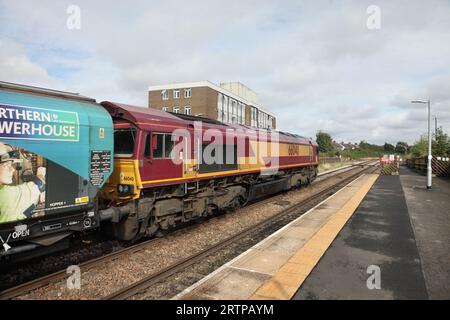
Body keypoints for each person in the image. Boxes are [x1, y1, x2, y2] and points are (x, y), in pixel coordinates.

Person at [0, 142, 46, 224]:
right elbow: (39, 184)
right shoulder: (6, 195)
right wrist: (41, 173)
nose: (13, 170)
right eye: (6, 165)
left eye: (11, 164)